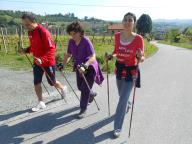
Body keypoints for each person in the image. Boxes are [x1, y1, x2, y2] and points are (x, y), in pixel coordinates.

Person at [105, 12, 145, 138]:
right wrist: (111, 56)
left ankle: (117, 127)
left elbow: (142, 57)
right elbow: (117, 51)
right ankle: (128, 104)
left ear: (134, 23)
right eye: (125, 20)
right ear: (122, 21)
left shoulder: (138, 39)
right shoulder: (117, 36)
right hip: (119, 71)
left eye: (130, 20)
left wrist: (139, 56)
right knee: (121, 95)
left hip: (131, 73)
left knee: (121, 100)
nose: (127, 22)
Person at [19, 13, 67, 112]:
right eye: (24, 25)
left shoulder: (43, 32)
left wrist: (43, 59)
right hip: (37, 62)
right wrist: (26, 50)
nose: (26, 27)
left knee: (52, 82)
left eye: (27, 24)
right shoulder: (30, 33)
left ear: (34, 22)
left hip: (48, 62)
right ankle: (41, 102)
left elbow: (51, 49)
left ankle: (62, 88)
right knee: (37, 82)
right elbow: (33, 47)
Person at [59, 21, 104, 119]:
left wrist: (86, 65)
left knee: (84, 89)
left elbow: (93, 56)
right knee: (80, 87)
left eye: (74, 33)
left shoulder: (86, 41)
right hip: (79, 67)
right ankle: (91, 94)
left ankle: (83, 109)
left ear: (80, 32)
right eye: (70, 34)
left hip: (89, 66)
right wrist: (62, 64)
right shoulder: (71, 42)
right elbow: (69, 54)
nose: (72, 36)